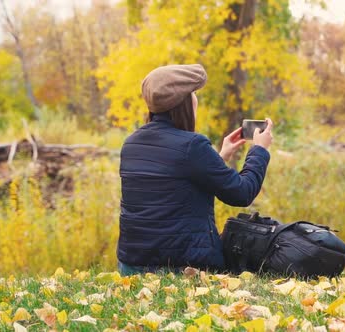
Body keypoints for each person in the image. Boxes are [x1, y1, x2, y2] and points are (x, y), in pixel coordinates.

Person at [117, 64, 273, 276]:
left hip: (131, 266)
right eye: (193, 94)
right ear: (184, 103)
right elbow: (242, 193)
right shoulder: (192, 146)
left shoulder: (131, 144)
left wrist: (220, 157)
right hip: (180, 268)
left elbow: (175, 184)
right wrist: (259, 150)